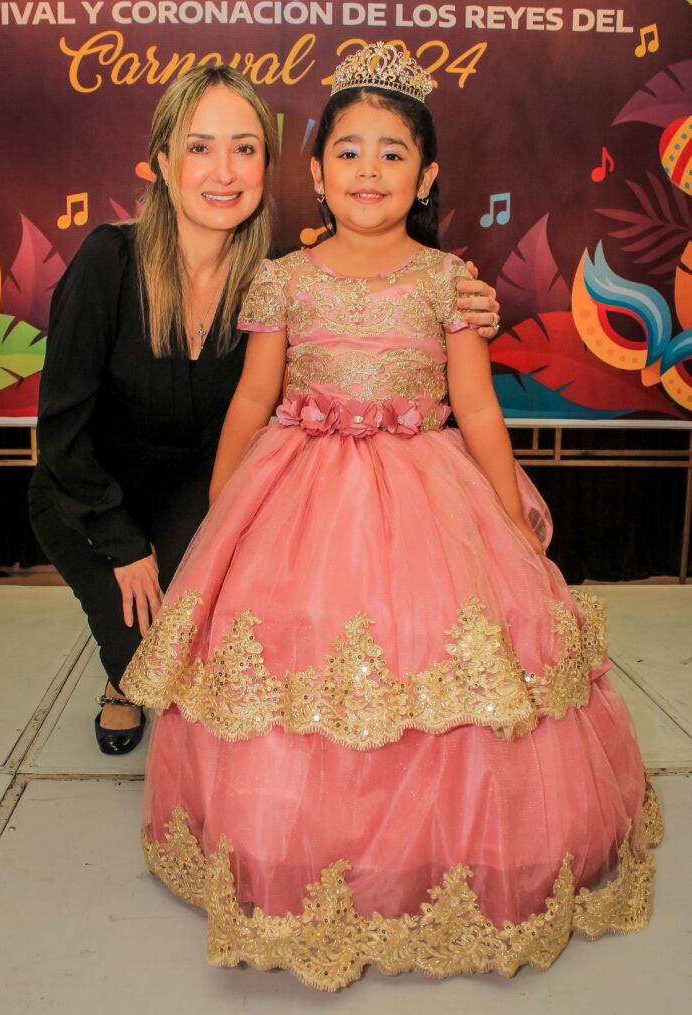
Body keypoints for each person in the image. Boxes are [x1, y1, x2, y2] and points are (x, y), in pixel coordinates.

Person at [122, 44, 660, 989]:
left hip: (425, 494)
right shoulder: (285, 278)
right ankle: (300, 841)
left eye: (392, 153)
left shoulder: (448, 281)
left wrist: (509, 513)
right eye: (349, 152)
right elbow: (252, 399)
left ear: (428, 175)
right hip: (300, 494)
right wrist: (226, 508)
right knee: (298, 659)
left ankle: (432, 852)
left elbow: (477, 408)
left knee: (437, 656)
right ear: (317, 170)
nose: (368, 171)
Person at [28, 63, 500, 757]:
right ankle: (118, 677)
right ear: (163, 161)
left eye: (244, 148)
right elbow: (62, 431)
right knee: (143, 655)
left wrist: (469, 304)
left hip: (196, 489)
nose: (224, 171)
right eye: (200, 147)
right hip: (92, 492)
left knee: (217, 645)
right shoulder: (110, 259)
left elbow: (363, 302)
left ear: (267, 166)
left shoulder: (278, 276)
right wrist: (124, 546)